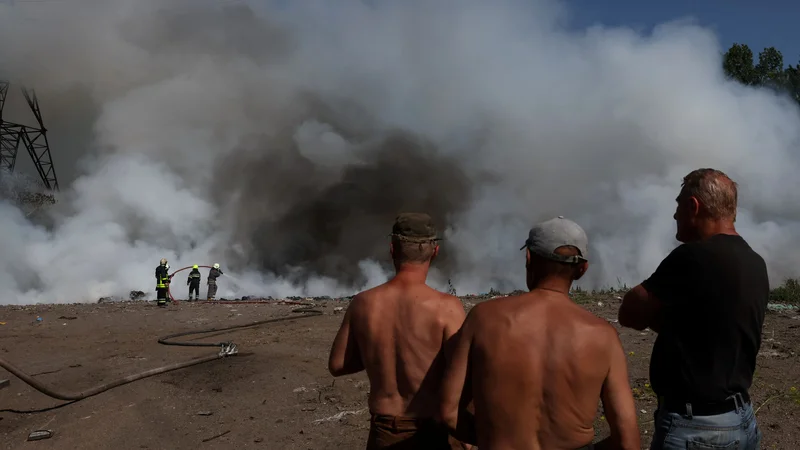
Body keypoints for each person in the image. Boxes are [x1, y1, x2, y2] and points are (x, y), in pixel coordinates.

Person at [439, 216, 641, 450]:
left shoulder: (484, 318)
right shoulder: (603, 336)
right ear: (582, 269)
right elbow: (628, 440)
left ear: (529, 258)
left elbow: (448, 412)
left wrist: (489, 438)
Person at [618, 168, 768, 450]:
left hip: (697, 429)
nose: (675, 216)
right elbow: (713, 326)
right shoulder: (754, 261)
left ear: (693, 206)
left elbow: (629, 312)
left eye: (678, 206)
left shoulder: (693, 257)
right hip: (741, 419)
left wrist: (660, 317)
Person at [328, 213, 469, 449]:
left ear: (392, 249)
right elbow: (463, 375)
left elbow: (338, 364)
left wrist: (378, 355)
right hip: (434, 431)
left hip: (385, 430)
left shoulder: (364, 303)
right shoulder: (447, 308)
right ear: (435, 252)